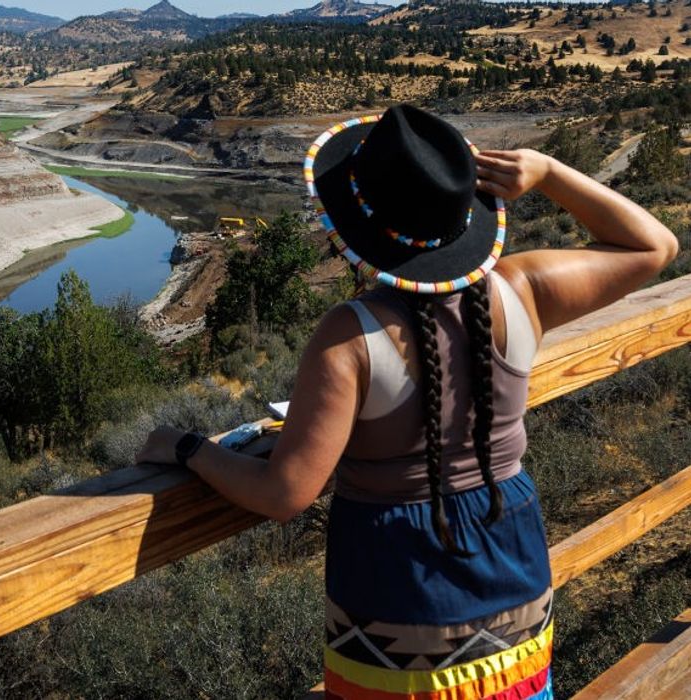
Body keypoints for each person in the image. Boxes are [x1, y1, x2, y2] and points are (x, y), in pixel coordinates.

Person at [137, 104, 678, 699]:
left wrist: (188, 448)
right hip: (514, 589)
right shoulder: (523, 290)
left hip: (398, 609)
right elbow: (654, 246)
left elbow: (284, 493)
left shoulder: (349, 335)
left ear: (350, 227)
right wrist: (548, 172)